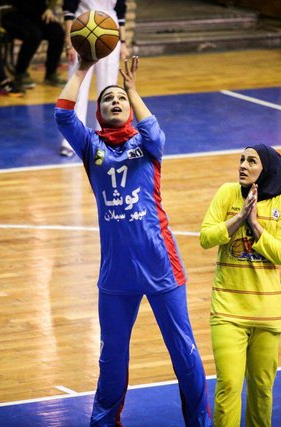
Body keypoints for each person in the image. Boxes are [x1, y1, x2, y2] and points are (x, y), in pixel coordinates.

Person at [54, 56, 212, 426]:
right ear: (98, 112)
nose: (115, 101)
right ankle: (104, 422)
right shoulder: (90, 146)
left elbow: (155, 131)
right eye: (108, 99)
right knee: (111, 359)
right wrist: (83, 68)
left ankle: (200, 423)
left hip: (160, 263)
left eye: (120, 99)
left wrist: (133, 89)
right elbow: (63, 114)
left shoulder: (147, 144)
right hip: (116, 272)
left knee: (183, 352)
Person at [200, 145, 281, 426]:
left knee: (262, 389)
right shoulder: (227, 193)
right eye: (241, 159)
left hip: (267, 313)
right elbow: (206, 238)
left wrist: (255, 224)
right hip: (227, 310)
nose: (243, 165)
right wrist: (239, 217)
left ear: (267, 169)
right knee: (228, 386)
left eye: (251, 161)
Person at [58, 0, 129, 158]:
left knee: (108, 90)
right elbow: (68, 10)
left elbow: (121, 11)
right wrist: (69, 43)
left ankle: (107, 138)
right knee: (77, 89)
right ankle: (72, 140)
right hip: (82, 35)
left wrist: (123, 42)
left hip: (109, 36)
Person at [1, 0, 66, 90]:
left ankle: (51, 73)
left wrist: (49, 9)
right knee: (34, 34)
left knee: (57, 32)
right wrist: (43, 9)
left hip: (35, 12)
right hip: (12, 12)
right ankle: (20, 72)